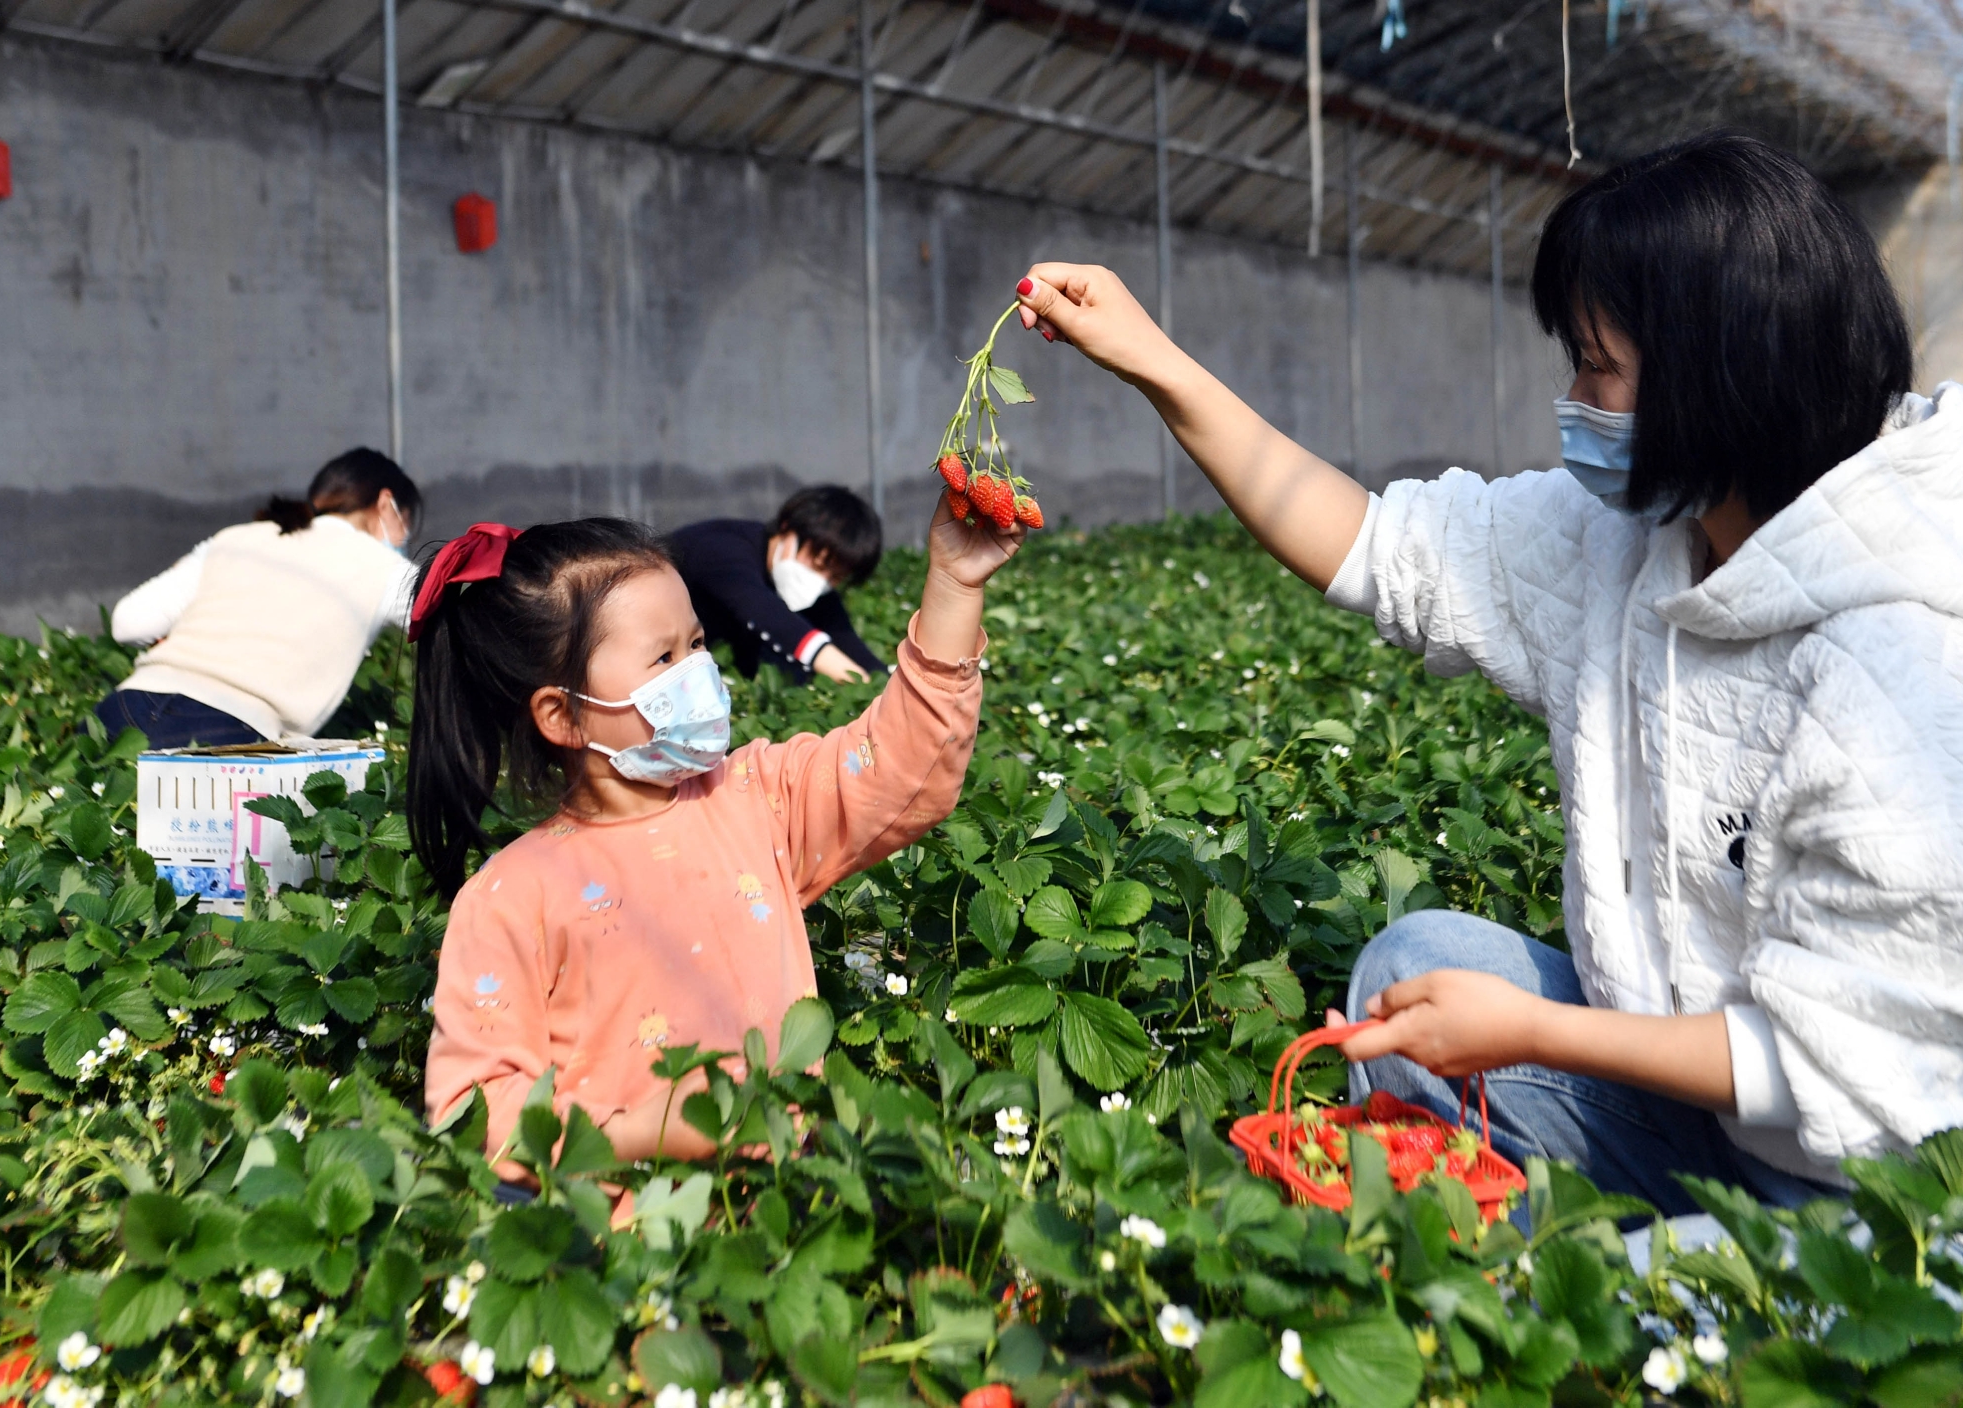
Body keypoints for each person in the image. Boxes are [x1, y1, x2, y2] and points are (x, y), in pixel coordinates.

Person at [1011, 132, 1963, 1214]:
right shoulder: (1640, 537)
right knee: (1411, 966)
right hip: (1704, 1119)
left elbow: (1860, 1065)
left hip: (1884, 1193)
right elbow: (1375, 542)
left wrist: (1533, 1033)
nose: (1572, 395)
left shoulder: (1898, 657)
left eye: (1595, 365)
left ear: (1716, 376)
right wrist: (1154, 362)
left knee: (1672, 1323)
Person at [414, 492, 1018, 1171]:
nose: (698, 671)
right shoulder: (510, 896)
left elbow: (900, 765)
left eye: (697, 643)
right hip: (619, 1248)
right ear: (564, 716)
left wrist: (954, 586)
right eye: (663, 657)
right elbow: (475, 1107)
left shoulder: (754, 799)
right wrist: (646, 1131)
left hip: (792, 1209)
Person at [96, 449, 420, 749]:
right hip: (224, 727)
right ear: (384, 503)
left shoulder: (233, 538)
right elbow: (457, 627)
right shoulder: (386, 568)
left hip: (123, 709)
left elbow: (128, 623)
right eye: (405, 521)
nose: (404, 536)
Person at [668, 485, 889, 685]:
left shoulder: (815, 588)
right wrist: (853, 679)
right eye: (819, 564)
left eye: (836, 577)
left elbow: (848, 644)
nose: (821, 581)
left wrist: (886, 685)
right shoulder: (722, 547)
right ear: (788, 528)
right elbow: (765, 612)